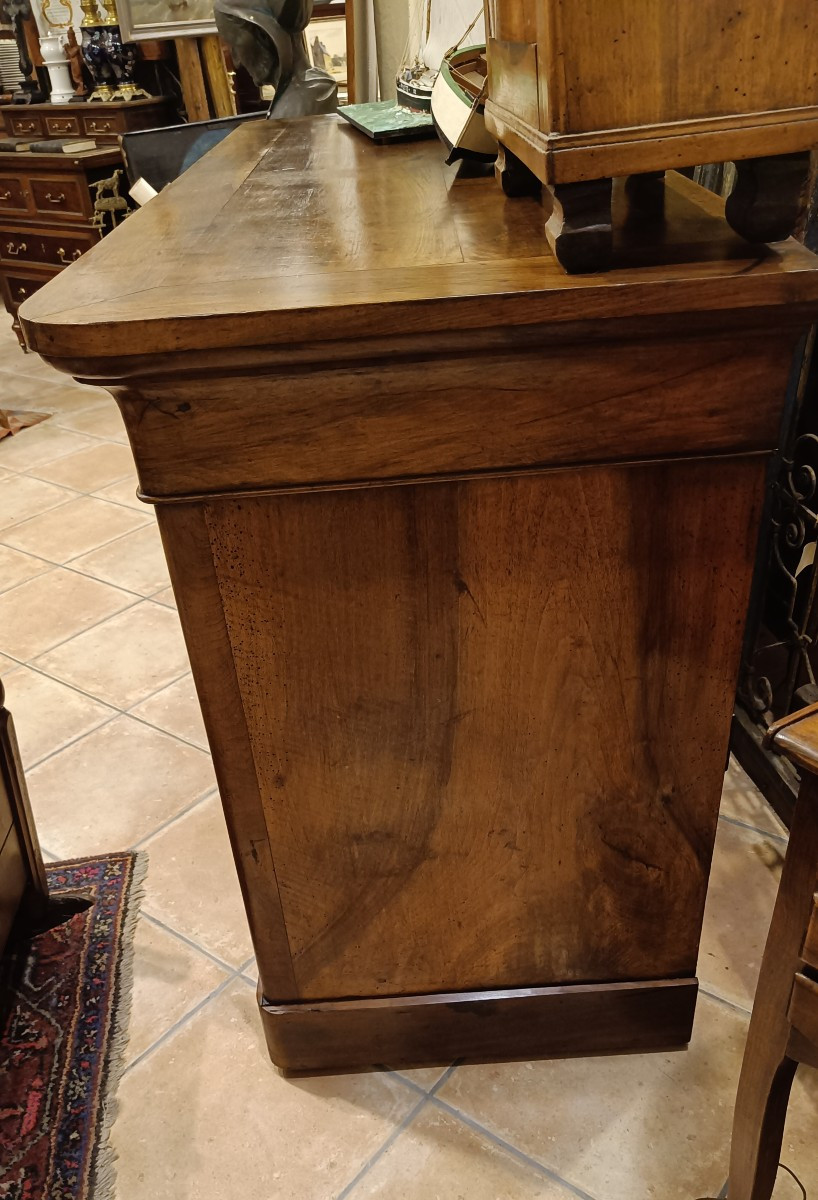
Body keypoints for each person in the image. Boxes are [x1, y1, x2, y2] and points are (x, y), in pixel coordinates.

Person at [214, 0, 337, 116]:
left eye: (235, 46)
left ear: (263, 35)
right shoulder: (313, 91)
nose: (237, 62)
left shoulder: (293, 110)